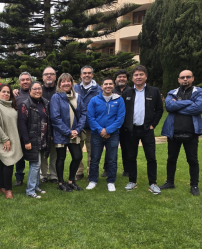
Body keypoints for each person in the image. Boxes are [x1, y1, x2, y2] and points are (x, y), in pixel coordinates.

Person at [122, 65, 163, 194]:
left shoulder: (154, 91)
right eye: (136, 75)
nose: (138, 77)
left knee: (151, 157)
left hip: (147, 130)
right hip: (131, 130)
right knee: (131, 157)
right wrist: (126, 126)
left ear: (146, 76)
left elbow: (160, 110)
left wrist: (153, 125)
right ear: (132, 78)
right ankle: (132, 181)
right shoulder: (127, 92)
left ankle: (153, 183)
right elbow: (122, 111)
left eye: (141, 74)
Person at [160, 70, 202, 196]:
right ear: (178, 79)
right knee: (171, 159)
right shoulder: (172, 92)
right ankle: (169, 182)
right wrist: (189, 102)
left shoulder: (199, 92)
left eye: (188, 77)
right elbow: (169, 107)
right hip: (174, 132)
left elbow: (198, 108)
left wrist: (177, 106)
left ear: (192, 78)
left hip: (191, 133)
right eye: (182, 77)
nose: (185, 79)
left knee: (192, 160)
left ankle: (194, 185)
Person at [85, 77, 125, 191]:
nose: (108, 86)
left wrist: (108, 130)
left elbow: (120, 118)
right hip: (97, 134)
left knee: (112, 159)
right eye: (105, 84)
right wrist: (101, 130)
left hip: (113, 135)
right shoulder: (94, 100)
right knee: (94, 158)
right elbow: (90, 117)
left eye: (110, 84)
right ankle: (93, 180)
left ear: (113, 86)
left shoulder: (119, 100)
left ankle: (111, 181)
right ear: (101, 86)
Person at [50, 73, 87, 192]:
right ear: (59, 83)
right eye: (63, 81)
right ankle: (61, 182)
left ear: (72, 82)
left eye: (68, 81)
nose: (66, 83)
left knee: (77, 156)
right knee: (61, 158)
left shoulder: (78, 97)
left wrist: (78, 130)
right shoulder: (56, 97)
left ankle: (71, 181)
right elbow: (55, 118)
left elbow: (83, 114)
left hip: (75, 133)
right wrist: (68, 132)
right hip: (61, 133)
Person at [0, 84, 23, 199]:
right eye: (3, 92)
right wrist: (5, 139)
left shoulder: (10, 106)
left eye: (8, 92)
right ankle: (8, 189)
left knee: (4, 163)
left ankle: (1, 186)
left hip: (12, 139)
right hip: (2, 140)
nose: (6, 94)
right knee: (9, 162)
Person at [18, 81, 50, 198]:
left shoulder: (44, 103)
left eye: (39, 89)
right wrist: (26, 141)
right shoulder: (25, 105)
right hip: (32, 140)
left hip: (42, 139)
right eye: (35, 89)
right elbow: (22, 125)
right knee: (35, 165)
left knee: (38, 163)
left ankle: (36, 186)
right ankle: (30, 190)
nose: (37, 91)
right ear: (30, 91)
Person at [74, 65, 102, 181]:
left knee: (92, 152)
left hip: (92, 127)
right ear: (81, 75)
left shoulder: (98, 89)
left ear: (92, 75)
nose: (87, 75)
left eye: (89, 73)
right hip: (78, 126)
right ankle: (79, 172)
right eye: (84, 73)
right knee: (77, 152)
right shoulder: (75, 88)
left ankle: (91, 173)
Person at [13, 72, 32, 186]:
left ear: (31, 81)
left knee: (33, 156)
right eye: (23, 80)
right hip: (19, 131)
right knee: (19, 156)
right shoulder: (15, 96)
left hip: (33, 130)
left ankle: (34, 177)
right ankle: (19, 178)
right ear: (19, 82)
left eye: (27, 79)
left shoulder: (35, 93)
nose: (25, 82)